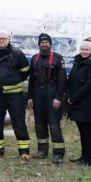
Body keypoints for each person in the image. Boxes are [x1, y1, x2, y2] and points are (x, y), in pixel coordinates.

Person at [0, 31, 31, 161]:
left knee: (19, 122)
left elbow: (25, 71)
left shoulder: (17, 53)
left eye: (4, 39)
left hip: (14, 96)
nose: (1, 41)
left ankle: (24, 151)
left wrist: (12, 82)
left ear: (8, 40)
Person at [27, 33, 67, 164]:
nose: (44, 44)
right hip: (38, 93)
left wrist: (58, 98)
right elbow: (31, 80)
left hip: (52, 93)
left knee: (54, 124)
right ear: (39, 44)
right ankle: (42, 151)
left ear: (50, 44)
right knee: (39, 124)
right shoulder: (34, 58)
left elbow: (62, 80)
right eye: (42, 42)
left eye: (46, 42)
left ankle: (58, 153)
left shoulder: (58, 58)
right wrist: (30, 96)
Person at [67, 40, 91, 166]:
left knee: (87, 131)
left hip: (86, 103)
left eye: (87, 49)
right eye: (82, 49)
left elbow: (89, 85)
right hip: (77, 102)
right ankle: (83, 156)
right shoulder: (78, 61)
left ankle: (87, 159)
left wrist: (74, 98)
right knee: (82, 131)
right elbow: (71, 79)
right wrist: (68, 95)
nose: (84, 52)